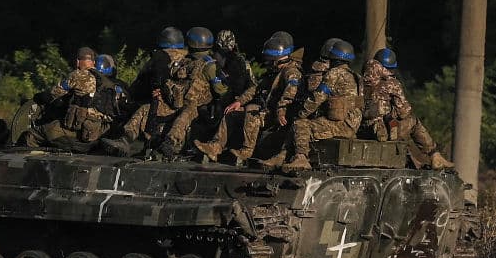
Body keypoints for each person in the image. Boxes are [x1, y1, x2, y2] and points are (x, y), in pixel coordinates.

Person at [194, 31, 302, 164]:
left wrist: (281, 110)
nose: (266, 61)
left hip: (278, 116)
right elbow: (255, 88)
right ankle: (215, 147)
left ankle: (247, 151)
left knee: (251, 109)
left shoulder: (291, 72)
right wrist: (239, 102)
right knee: (232, 114)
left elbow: (290, 94)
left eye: (269, 58)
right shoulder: (274, 72)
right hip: (267, 112)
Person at [262, 39, 363, 172]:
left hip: (342, 125)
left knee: (300, 123)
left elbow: (317, 97)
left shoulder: (334, 73)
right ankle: (283, 155)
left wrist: (301, 113)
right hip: (351, 124)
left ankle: (301, 157)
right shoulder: (355, 76)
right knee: (302, 122)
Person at [101, 27, 188, 156]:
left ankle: (125, 139)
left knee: (140, 109)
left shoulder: (159, 57)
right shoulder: (189, 59)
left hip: (159, 105)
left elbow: (140, 85)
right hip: (185, 106)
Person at [363, 48, 454, 169]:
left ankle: (414, 162)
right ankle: (434, 155)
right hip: (380, 131)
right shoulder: (392, 83)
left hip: (362, 129)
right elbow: (404, 112)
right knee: (413, 122)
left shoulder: (361, 79)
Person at [158, 26, 228, 158]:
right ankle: (130, 137)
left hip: (197, 107)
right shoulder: (189, 62)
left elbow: (220, 91)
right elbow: (221, 89)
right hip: (176, 102)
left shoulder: (204, 64)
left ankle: (171, 142)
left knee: (187, 112)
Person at [24, 47, 100, 148]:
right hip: (98, 130)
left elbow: (53, 94)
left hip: (79, 130)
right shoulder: (103, 78)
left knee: (33, 134)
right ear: (93, 62)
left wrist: (39, 96)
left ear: (78, 61)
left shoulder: (78, 75)